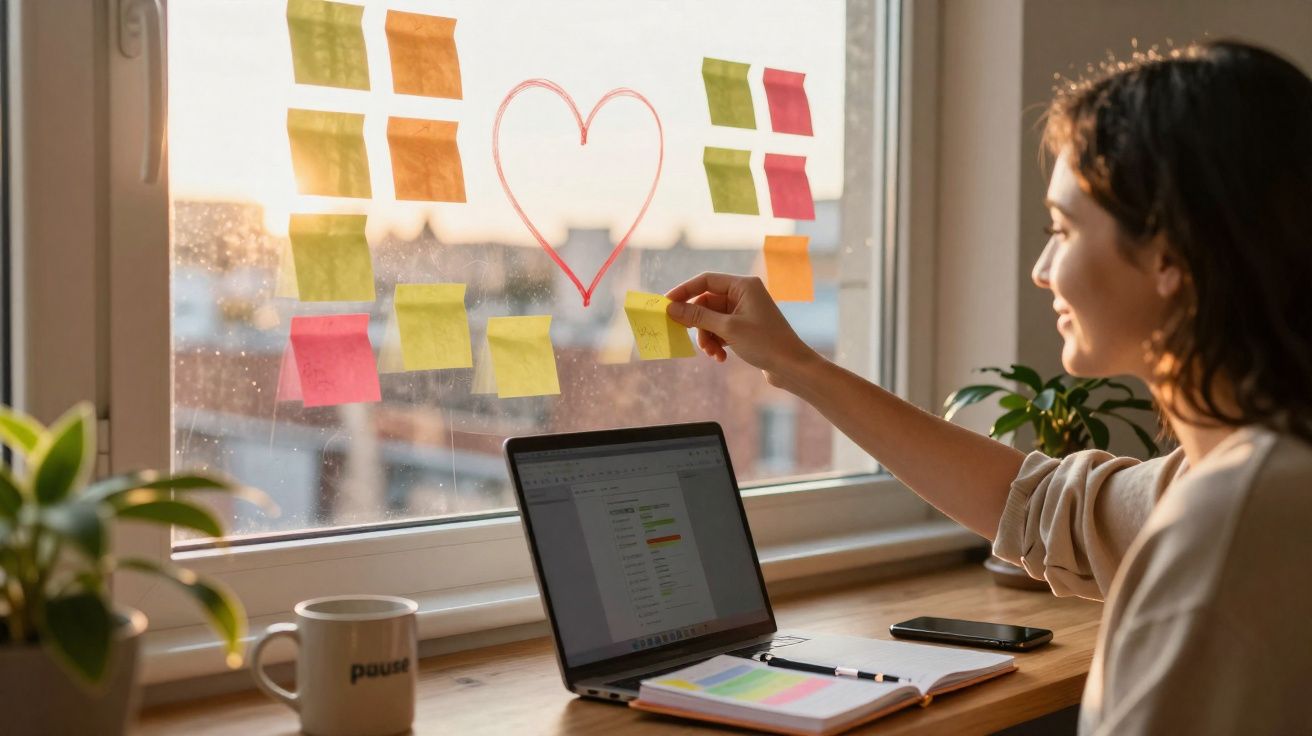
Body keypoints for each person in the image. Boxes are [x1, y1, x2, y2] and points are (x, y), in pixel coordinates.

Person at [664, 40, 1312, 735]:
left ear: (1169, 256)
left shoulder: (1231, 527)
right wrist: (799, 367)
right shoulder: (1243, 474)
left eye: (1062, 229)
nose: (1041, 268)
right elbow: (1036, 507)